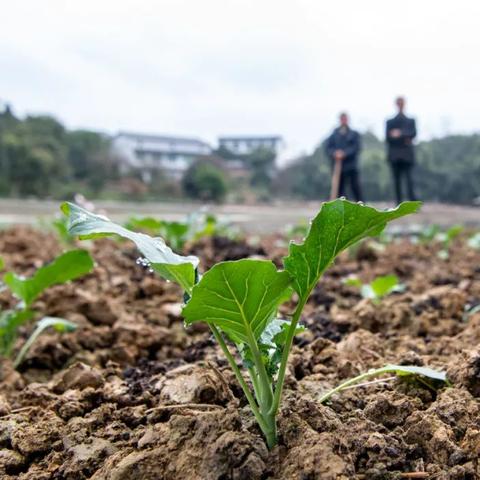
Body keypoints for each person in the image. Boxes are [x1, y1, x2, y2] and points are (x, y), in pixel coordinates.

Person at [325, 112, 363, 201]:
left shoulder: (354, 134)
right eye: (342, 119)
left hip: (351, 166)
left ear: (347, 120)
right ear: (340, 120)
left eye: (345, 119)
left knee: (355, 188)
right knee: (339, 190)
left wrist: (344, 153)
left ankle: (361, 205)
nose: (343, 121)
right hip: (338, 167)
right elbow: (328, 148)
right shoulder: (334, 134)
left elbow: (356, 147)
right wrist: (334, 153)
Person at [386, 96, 417, 203]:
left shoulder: (410, 120)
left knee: (409, 180)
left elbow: (413, 134)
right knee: (396, 180)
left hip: (407, 155)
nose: (400, 105)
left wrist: (399, 133)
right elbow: (388, 138)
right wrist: (405, 137)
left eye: (401, 102)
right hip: (394, 155)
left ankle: (412, 202)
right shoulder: (390, 122)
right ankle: (398, 203)